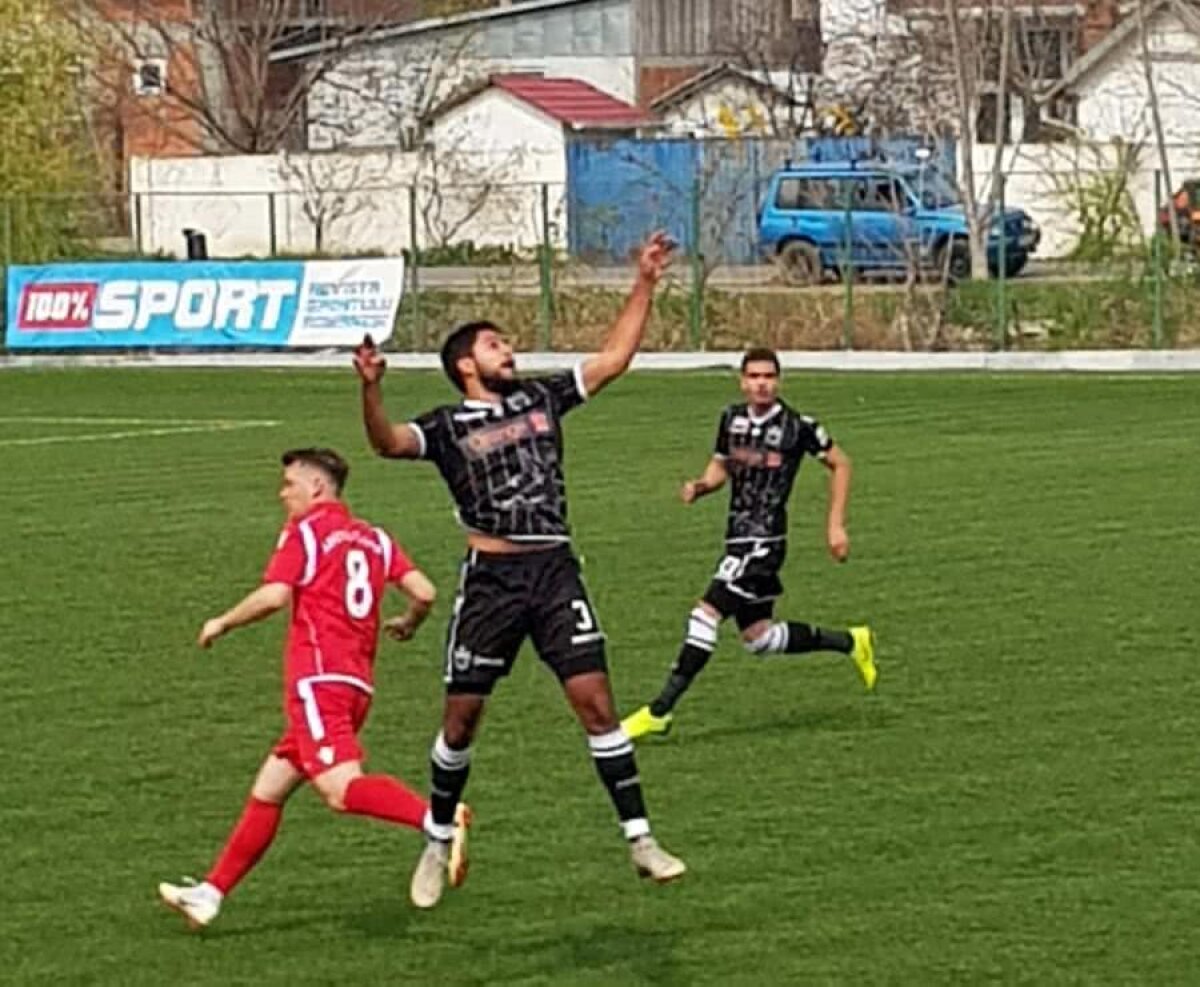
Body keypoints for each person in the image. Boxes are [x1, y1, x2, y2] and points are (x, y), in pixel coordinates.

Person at [354, 231, 686, 910]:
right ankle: (437, 835)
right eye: (496, 344)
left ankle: (641, 839)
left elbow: (615, 358)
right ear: (466, 364)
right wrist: (373, 390)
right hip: (491, 584)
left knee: (596, 702)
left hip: (555, 572)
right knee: (461, 721)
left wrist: (645, 280)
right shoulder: (446, 426)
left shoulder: (542, 398)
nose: (510, 350)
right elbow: (386, 444)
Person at [157, 447, 465, 930]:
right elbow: (424, 592)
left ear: (316, 487)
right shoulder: (375, 537)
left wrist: (223, 621)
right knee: (269, 789)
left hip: (317, 683)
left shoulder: (306, 531)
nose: (282, 494)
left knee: (340, 791)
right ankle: (210, 893)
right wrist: (407, 621)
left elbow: (276, 595)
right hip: (355, 686)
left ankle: (438, 819)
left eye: (288, 485)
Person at [622, 349, 877, 741]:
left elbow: (841, 463)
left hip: (763, 542)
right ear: (742, 381)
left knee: (705, 615)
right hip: (736, 536)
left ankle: (660, 710)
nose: (762, 383)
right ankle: (850, 641)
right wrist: (702, 486)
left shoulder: (797, 426)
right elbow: (720, 465)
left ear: (779, 381)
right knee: (759, 638)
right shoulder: (731, 419)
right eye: (754, 375)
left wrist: (835, 526)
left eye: (769, 376)